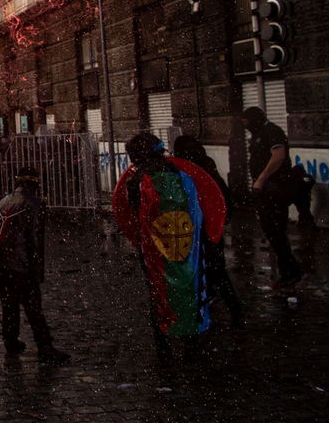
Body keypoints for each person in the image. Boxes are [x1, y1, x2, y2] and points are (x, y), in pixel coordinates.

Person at [112, 133, 226, 357]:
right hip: (188, 246)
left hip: (156, 251)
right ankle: (191, 342)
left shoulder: (137, 181)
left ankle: (163, 342)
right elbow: (200, 209)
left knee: (158, 292)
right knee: (189, 288)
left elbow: (135, 218)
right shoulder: (183, 176)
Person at [0, 167, 70, 364]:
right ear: (35, 184)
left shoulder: (4, 201)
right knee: (33, 306)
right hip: (18, 260)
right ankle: (44, 347)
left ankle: (11, 340)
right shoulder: (35, 203)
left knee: (8, 302)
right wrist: (36, 269)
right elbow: (35, 239)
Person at [172, 136, 243, 328]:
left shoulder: (185, 172)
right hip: (209, 229)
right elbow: (223, 199)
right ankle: (233, 311)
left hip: (196, 230)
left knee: (201, 271)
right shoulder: (206, 168)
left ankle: (199, 313)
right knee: (217, 270)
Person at [240, 107, 304, 287]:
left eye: (247, 123)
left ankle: (291, 274)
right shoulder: (260, 133)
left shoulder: (272, 132)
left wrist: (261, 179)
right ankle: (290, 271)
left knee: (276, 231)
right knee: (272, 231)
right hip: (266, 191)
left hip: (275, 189)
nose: (246, 127)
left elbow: (278, 157)